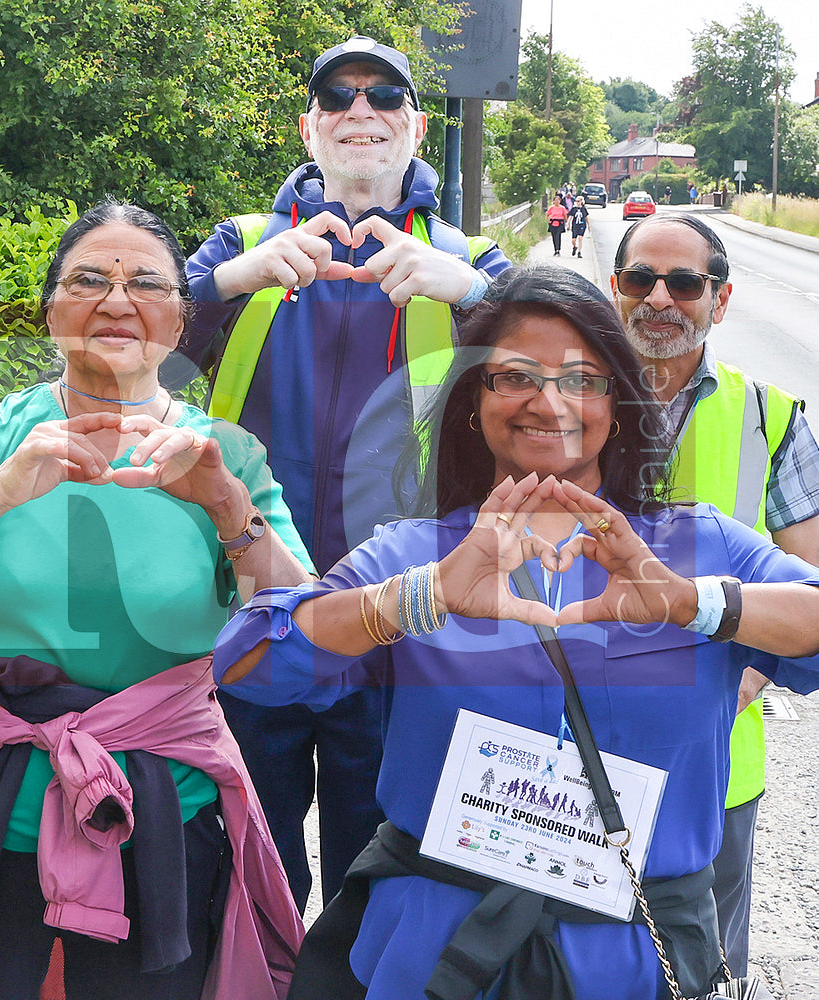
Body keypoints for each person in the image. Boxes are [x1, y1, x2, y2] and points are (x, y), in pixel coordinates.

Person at [214, 264, 819, 1000]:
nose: (549, 401)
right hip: (432, 949)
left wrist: (692, 603)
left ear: (618, 404)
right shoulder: (416, 554)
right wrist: (418, 599)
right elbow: (249, 661)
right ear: (474, 403)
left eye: (583, 379)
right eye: (515, 377)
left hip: (632, 959)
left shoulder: (704, 547)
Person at [0, 200, 313, 1000]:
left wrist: (228, 506)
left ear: (181, 317)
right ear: (51, 309)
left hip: (165, 829)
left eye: (146, 284)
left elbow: (309, 638)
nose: (117, 302)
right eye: (89, 279)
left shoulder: (224, 454)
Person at [180, 34, 512, 909]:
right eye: (338, 97)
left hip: (406, 626)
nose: (359, 111)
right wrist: (227, 284)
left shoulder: (468, 257)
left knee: (385, 883)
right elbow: (129, 345)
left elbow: (579, 357)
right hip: (256, 616)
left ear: (416, 125)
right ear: (308, 126)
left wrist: (475, 294)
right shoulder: (239, 242)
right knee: (252, 881)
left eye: (382, 96)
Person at [611, 214, 819, 977]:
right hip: (568, 746)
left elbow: (810, 594)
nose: (660, 298)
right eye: (641, 279)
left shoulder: (770, 417)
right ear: (615, 290)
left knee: (700, 961)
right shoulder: (558, 405)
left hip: (716, 756)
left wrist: (745, 684)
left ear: (719, 301)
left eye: (685, 284)